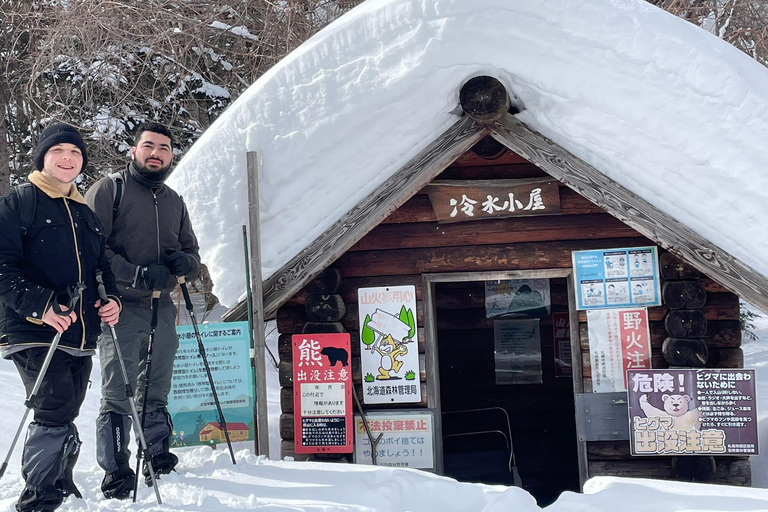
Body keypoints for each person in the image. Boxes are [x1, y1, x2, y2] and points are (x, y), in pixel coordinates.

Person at [0, 124, 121, 512]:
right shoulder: (19, 203)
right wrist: (42, 305)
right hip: (34, 329)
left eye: (75, 152)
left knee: (68, 406)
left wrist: (112, 299)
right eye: (58, 151)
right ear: (43, 157)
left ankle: (59, 481)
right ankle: (40, 496)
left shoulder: (85, 212)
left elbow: (101, 268)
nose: (67, 158)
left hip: (81, 332)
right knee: (53, 406)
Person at [85, 122, 200, 499]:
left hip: (161, 307)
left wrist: (186, 263)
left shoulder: (173, 200)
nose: (156, 153)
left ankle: (157, 454)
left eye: (164, 148)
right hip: (119, 305)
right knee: (118, 390)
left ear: (171, 156)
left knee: (156, 387)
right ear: (133, 151)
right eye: (148, 145)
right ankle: (117, 470)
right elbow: (91, 249)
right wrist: (134, 273)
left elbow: (192, 251)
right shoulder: (110, 190)